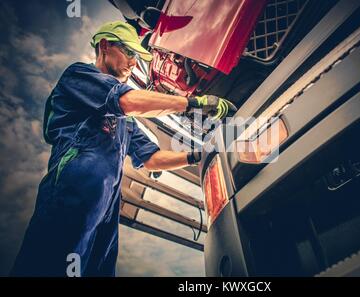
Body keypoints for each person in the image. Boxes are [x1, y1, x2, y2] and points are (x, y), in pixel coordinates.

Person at [10, 21, 235, 276]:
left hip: (106, 209)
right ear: (105, 46)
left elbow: (152, 158)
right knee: (48, 264)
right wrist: (195, 103)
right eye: (129, 52)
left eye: (137, 56)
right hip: (71, 190)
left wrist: (199, 155)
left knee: (98, 269)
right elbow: (127, 100)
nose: (133, 62)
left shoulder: (124, 122)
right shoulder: (79, 76)